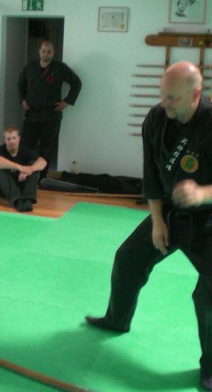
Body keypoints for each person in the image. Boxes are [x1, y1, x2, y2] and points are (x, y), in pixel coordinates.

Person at [85, 61, 212, 391]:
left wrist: (202, 194)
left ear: (195, 94)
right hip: (169, 210)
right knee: (128, 258)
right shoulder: (156, 119)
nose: (164, 103)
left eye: (173, 98)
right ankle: (117, 319)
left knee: (209, 294)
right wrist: (157, 221)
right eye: (162, 94)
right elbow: (152, 175)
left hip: (209, 220)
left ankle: (210, 368)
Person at [17, 40, 81, 180]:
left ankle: (41, 178)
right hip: (32, 114)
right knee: (26, 146)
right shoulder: (30, 67)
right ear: (39, 51)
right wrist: (22, 99)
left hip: (51, 116)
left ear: (53, 53)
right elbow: (20, 83)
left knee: (47, 149)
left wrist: (67, 101)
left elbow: (76, 82)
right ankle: (23, 175)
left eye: (49, 52)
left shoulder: (60, 68)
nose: (46, 54)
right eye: (44, 51)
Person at [0, 126, 46, 212]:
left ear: (19, 138)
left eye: (14, 138)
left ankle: (28, 199)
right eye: (8, 139)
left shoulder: (25, 150)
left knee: (34, 166)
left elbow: (43, 162)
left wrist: (29, 169)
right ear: (5, 140)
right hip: (2, 189)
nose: (12, 141)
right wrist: (20, 168)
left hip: (19, 186)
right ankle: (17, 201)